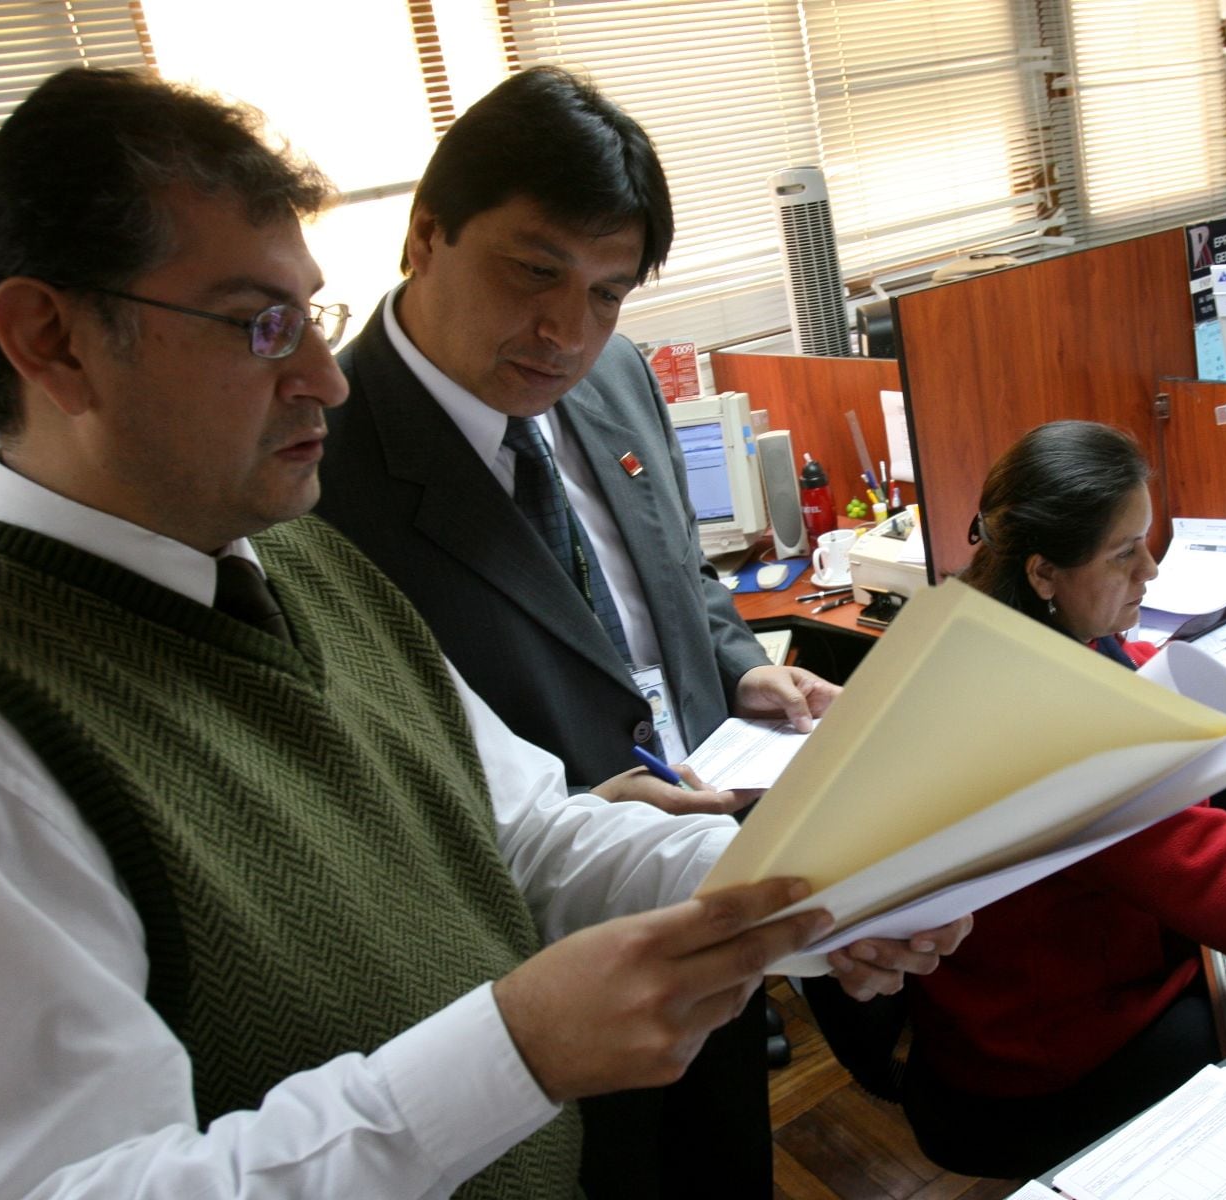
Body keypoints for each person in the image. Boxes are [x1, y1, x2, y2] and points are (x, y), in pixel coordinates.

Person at [0, 67, 967, 1199]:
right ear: (52, 340)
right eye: (258, 326)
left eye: (311, 318)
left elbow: (526, 836)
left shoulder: (301, 559)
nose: (324, 377)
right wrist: (517, 1050)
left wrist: (822, 892)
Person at [311, 66, 841, 1197]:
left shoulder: (611, 376)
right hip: (535, 966)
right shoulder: (319, 468)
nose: (567, 329)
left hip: (704, 869)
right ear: (426, 235)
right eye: (535, 271)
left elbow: (674, 570)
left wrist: (745, 667)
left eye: (607, 290)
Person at [899, 420, 1226, 1179]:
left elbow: (1143, 671)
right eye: (1126, 554)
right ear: (1046, 571)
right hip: (1042, 1069)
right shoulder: (1054, 729)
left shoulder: (989, 625)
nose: (1152, 570)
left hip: (988, 1018)